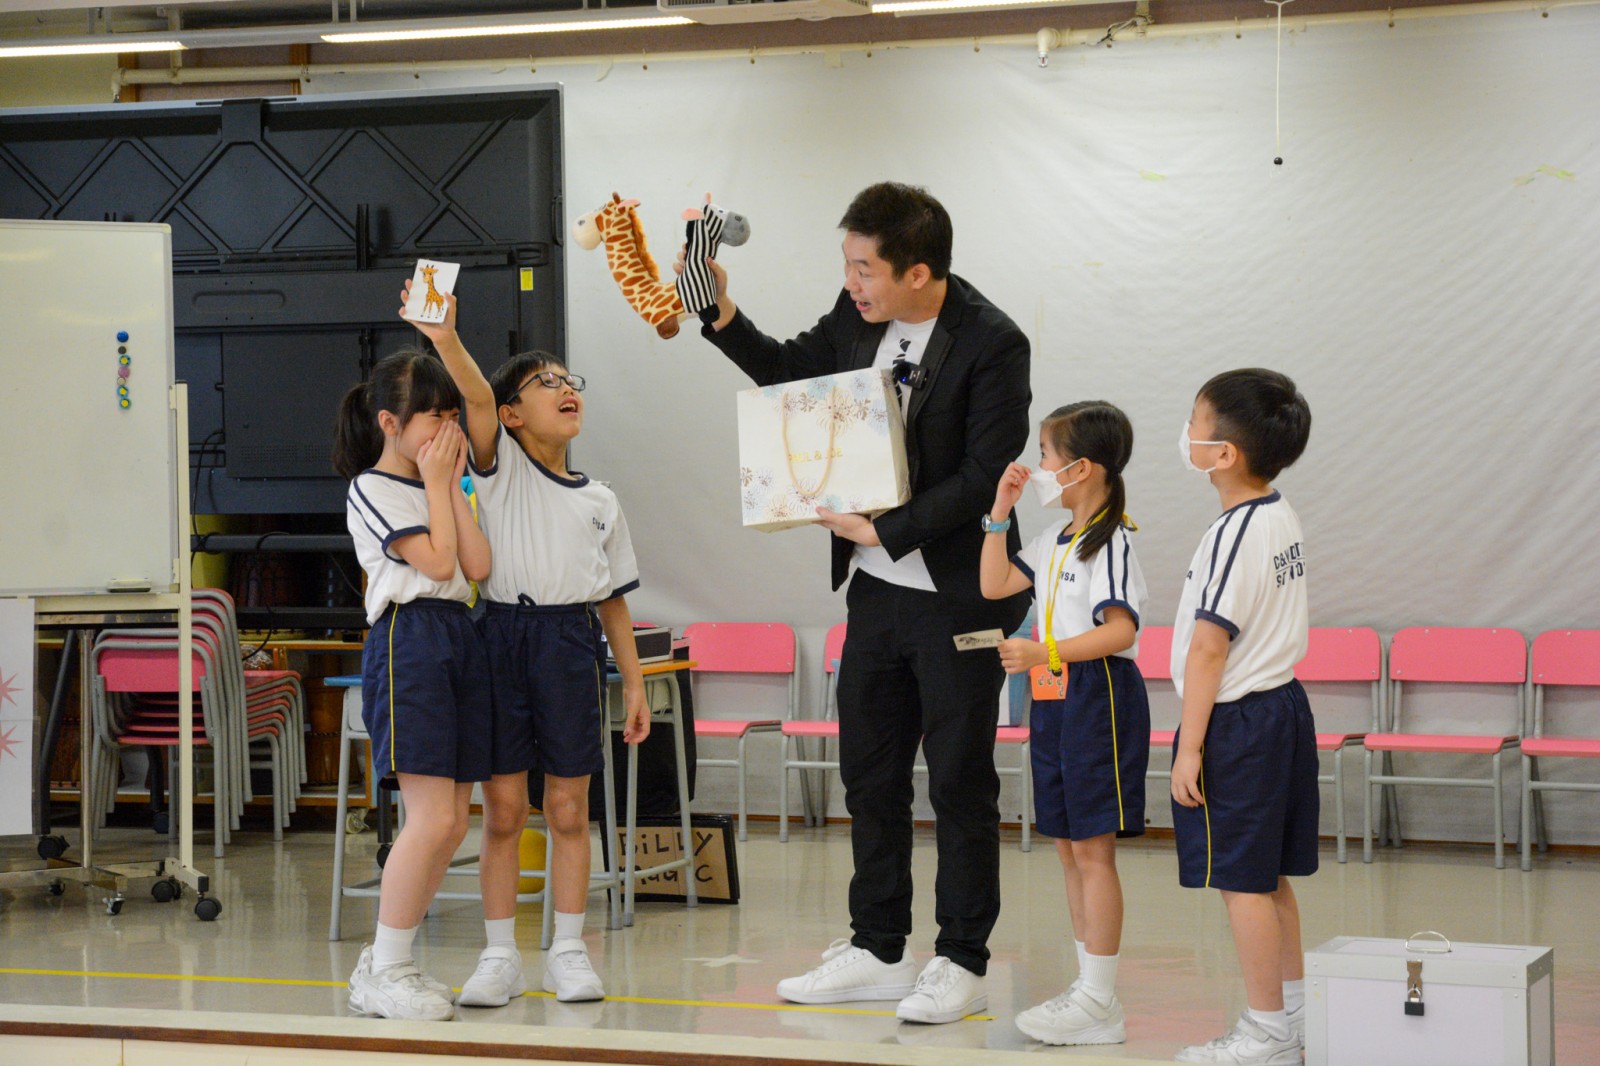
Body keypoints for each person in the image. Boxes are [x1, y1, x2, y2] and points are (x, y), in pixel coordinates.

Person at [689, 181, 1031, 1024]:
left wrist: (888, 530)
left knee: (958, 782)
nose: (852, 282)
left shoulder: (993, 342)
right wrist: (721, 313)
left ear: (919, 272)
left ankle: (962, 959)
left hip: (961, 594)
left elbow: (983, 475)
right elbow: (788, 374)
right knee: (870, 777)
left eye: (866, 269)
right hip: (877, 593)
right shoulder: (857, 315)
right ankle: (878, 947)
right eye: (847, 265)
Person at [404, 284, 650, 1006]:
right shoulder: (498, 464)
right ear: (511, 415)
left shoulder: (601, 499)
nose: (566, 390)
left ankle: (569, 949)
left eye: (571, 382)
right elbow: (476, 398)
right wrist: (445, 337)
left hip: (569, 644)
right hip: (500, 639)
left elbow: (613, 603)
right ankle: (500, 955)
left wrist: (635, 683)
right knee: (506, 810)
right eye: (546, 383)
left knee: (569, 808)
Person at [979, 401, 1150, 1046]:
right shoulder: (1053, 538)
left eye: (1047, 455)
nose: (1039, 467)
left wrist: (1043, 652)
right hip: (1054, 694)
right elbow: (994, 584)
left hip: (1098, 694)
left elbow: (1120, 630)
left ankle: (1101, 999)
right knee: (1067, 846)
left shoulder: (1113, 539)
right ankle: (1088, 990)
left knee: (1093, 849)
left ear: (1081, 468)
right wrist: (999, 512)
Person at [333, 349, 493, 1021]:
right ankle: (387, 968)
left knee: (453, 822)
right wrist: (435, 482)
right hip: (410, 638)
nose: (448, 430)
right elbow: (435, 561)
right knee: (429, 817)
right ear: (390, 423)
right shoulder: (372, 488)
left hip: (458, 633)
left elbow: (477, 564)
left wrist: (450, 485)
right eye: (434, 416)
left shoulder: (441, 481)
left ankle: (387, 961)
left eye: (453, 415)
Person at [1169, 369, 1315, 1065]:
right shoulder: (1281, 513)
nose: (1187, 434)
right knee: (1268, 876)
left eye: (1195, 422)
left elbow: (1209, 647)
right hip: (1282, 709)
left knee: (1242, 883)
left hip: (1241, 722)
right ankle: (1293, 1017)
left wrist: (1189, 747)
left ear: (1224, 453)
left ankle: (1267, 1033)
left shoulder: (1237, 531)